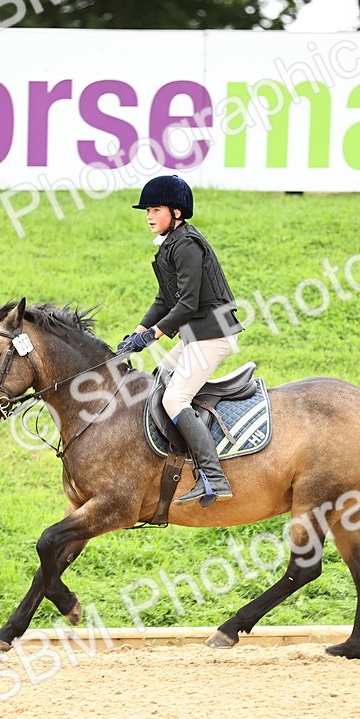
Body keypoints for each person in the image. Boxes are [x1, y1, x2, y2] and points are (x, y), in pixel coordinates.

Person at [119, 174, 245, 507]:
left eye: (156, 209)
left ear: (176, 212)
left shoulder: (186, 244)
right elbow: (165, 299)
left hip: (213, 333)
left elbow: (187, 303)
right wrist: (137, 331)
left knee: (175, 399)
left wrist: (152, 335)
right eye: (147, 210)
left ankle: (214, 478)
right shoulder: (170, 245)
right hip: (197, 332)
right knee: (159, 378)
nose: (149, 216)